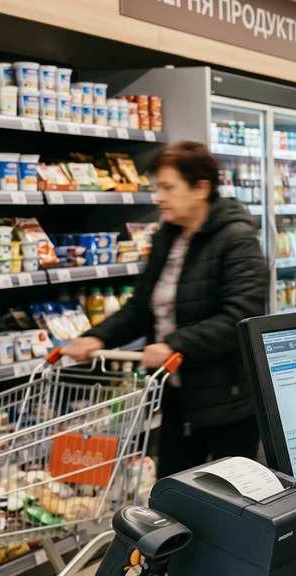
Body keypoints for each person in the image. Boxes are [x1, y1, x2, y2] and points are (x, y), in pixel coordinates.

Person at [62, 141, 267, 478]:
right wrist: (97, 337)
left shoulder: (236, 239)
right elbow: (143, 307)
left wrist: (174, 345)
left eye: (168, 187)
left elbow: (240, 318)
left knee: (234, 501)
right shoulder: (166, 238)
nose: (158, 197)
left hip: (228, 399)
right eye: (157, 187)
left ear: (201, 188)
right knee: (172, 493)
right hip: (177, 394)